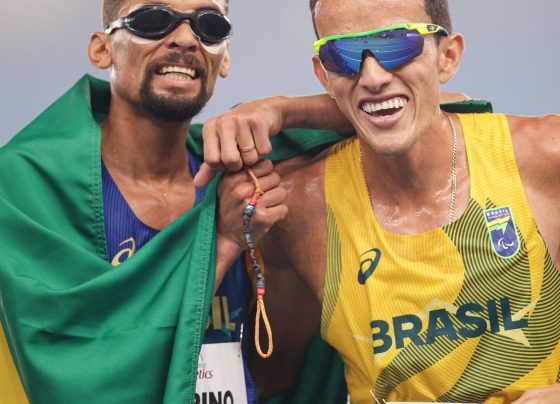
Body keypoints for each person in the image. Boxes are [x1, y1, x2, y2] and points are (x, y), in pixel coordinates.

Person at [197, 0, 560, 402]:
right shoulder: (298, 208)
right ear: (323, 73)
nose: (372, 77)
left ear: (448, 56)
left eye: (397, 45)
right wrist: (223, 237)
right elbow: (268, 378)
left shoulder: (545, 156)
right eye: (344, 54)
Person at [0, 0, 288, 402]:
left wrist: (279, 109)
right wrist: (222, 243)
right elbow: (83, 368)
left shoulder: (237, 170)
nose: (186, 38)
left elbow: (361, 117)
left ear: (224, 58)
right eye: (153, 19)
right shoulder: (24, 184)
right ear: (102, 49)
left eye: (210, 25)